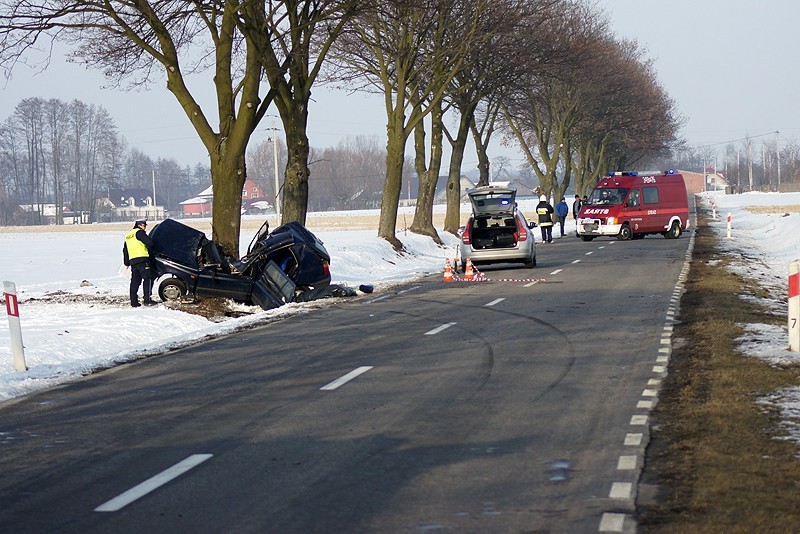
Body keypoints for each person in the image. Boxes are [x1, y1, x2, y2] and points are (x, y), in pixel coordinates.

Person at [123, 218, 156, 307]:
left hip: (133, 261)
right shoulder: (139, 233)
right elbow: (150, 243)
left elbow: (125, 250)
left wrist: (126, 262)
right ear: (139, 225)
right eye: (144, 225)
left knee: (135, 281)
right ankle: (147, 300)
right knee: (148, 278)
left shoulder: (128, 235)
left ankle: (134, 302)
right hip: (142, 259)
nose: (145, 227)